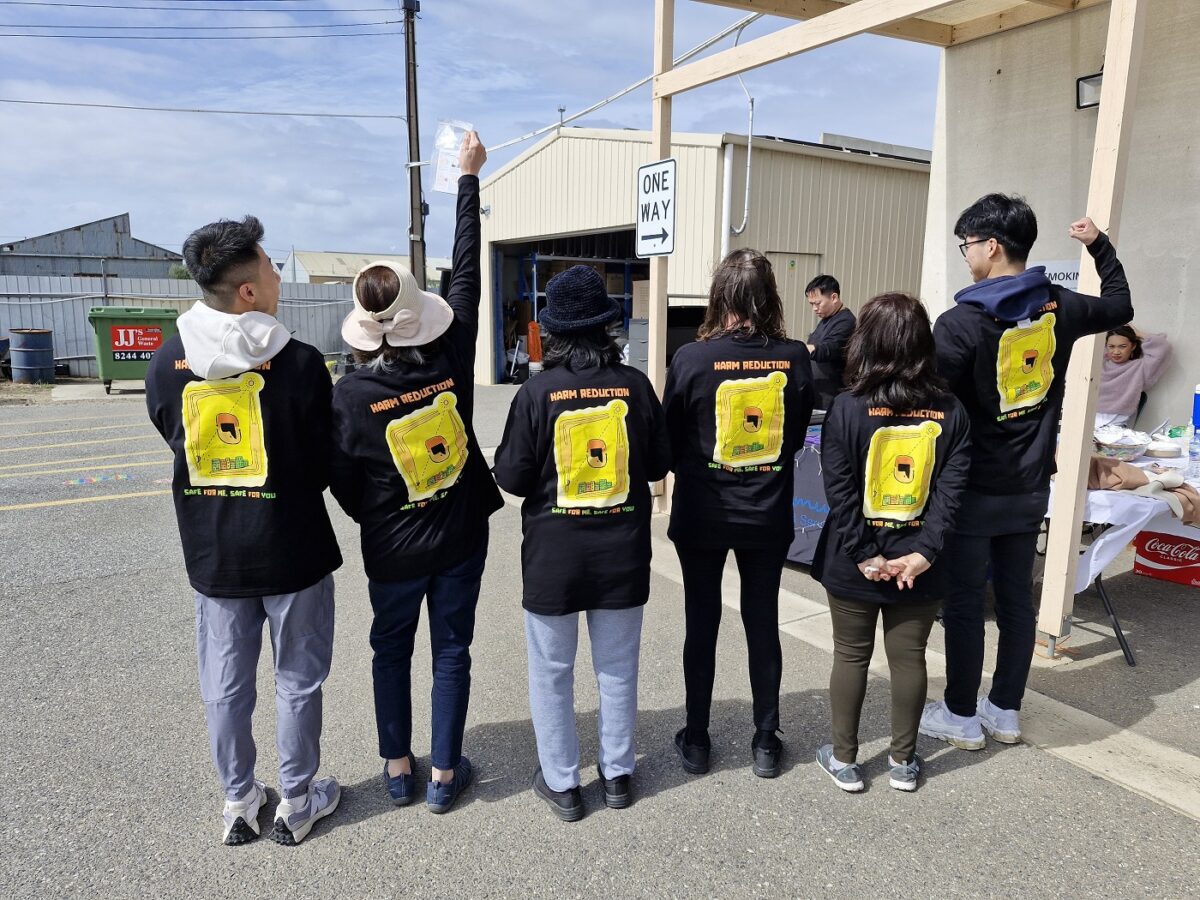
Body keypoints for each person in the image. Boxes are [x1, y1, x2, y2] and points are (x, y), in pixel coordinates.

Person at [146, 216, 343, 846]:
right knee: (298, 679)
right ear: (249, 291)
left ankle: (237, 798)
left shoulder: (168, 362)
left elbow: (168, 429)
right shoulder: (300, 363)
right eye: (269, 263)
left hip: (215, 552)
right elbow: (323, 458)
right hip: (293, 547)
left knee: (225, 684)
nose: (279, 273)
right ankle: (297, 797)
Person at [329, 132, 502, 814]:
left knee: (390, 650)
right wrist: (467, 180)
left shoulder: (348, 393)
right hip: (459, 532)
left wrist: (377, 510)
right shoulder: (452, 353)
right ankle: (443, 776)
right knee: (452, 649)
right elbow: (466, 273)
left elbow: (341, 479)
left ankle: (399, 770)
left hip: (391, 545)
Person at [920, 194, 1132, 750]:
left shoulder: (961, 322)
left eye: (967, 246)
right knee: (1017, 600)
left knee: (965, 603)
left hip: (971, 487)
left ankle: (961, 714)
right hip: (1030, 485)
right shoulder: (1059, 304)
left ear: (991, 246)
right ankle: (1005, 709)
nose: (966, 256)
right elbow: (1119, 304)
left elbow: (930, 403)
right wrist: (1099, 246)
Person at [492, 266, 671, 822]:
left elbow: (513, 477)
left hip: (554, 555)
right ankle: (617, 775)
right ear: (607, 326)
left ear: (556, 329)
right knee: (617, 667)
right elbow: (660, 464)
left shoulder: (538, 391)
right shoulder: (635, 385)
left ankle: (564, 783)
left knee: (552, 670)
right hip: (621, 550)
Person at [663, 248, 815, 778]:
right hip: (766, 511)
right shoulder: (794, 356)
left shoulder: (691, 358)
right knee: (762, 621)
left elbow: (670, 438)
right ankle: (766, 740)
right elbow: (794, 437)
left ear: (719, 295)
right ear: (769, 297)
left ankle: (699, 736)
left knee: (700, 622)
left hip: (703, 509)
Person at [811, 293, 971, 793]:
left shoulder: (848, 407)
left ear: (866, 342)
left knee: (851, 655)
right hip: (919, 563)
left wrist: (864, 554)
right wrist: (923, 551)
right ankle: (903, 762)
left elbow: (838, 490)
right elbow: (952, 489)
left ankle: (844, 759)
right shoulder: (951, 410)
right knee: (910, 658)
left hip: (854, 558)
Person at [1096, 324, 1170, 427]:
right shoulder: (1097, 365)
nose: (1116, 352)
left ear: (1133, 346)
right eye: (1111, 346)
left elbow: (1163, 347)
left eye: (1122, 346)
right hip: (1088, 421)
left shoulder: (1139, 367)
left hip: (1116, 426)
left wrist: (1138, 334)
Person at [804, 274, 856, 409]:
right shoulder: (826, 320)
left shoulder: (846, 321)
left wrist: (795, 349)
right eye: (811, 304)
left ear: (834, 297)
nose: (814, 308)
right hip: (817, 396)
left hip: (832, 399)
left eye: (818, 303)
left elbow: (826, 350)